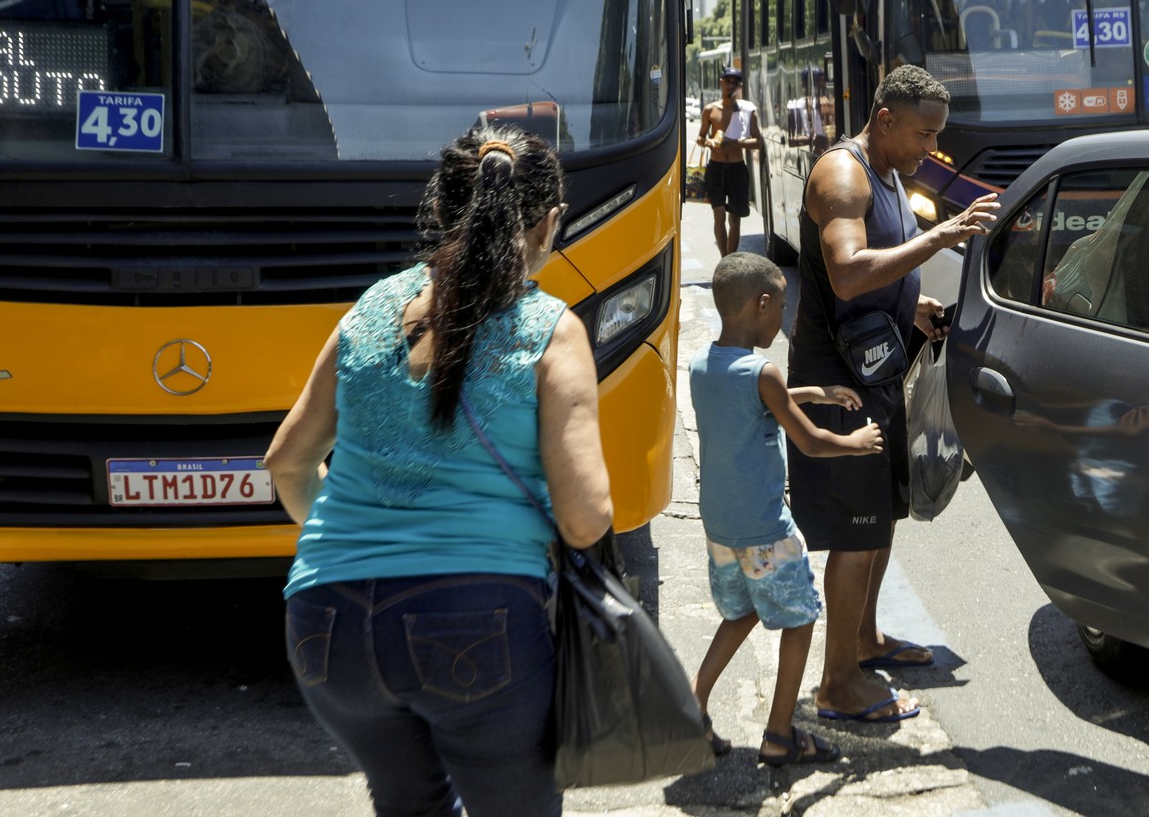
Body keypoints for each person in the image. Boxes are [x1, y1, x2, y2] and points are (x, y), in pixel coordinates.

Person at [263, 125, 612, 817]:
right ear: (547, 225)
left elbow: (287, 462)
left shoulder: (369, 312)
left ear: (445, 210)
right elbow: (585, 518)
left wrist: (353, 540)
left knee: (409, 805)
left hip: (323, 624)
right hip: (476, 623)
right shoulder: (549, 328)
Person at [786, 64, 1000, 723]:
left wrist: (913, 306)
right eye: (924, 134)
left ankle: (866, 639)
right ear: (885, 121)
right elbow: (847, 275)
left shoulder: (890, 175)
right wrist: (941, 235)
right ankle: (837, 684)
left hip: (873, 369)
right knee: (855, 535)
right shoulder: (843, 175)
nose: (931, 149)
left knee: (879, 520)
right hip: (839, 387)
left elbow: (877, 276)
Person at [689, 252, 882, 766]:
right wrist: (857, 441)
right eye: (781, 307)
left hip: (720, 528)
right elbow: (812, 441)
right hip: (765, 530)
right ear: (763, 302)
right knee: (799, 620)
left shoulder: (703, 366)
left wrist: (816, 391)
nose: (783, 319)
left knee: (744, 610)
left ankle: (691, 705)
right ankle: (779, 735)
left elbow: (754, 396)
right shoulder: (763, 371)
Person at [696, 66, 761, 257]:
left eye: (735, 82)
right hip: (716, 168)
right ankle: (723, 259)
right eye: (727, 81)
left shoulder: (747, 110)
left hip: (737, 169)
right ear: (720, 83)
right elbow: (700, 137)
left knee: (735, 218)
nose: (730, 85)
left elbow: (758, 142)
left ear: (739, 86)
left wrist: (735, 143)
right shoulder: (710, 110)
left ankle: (730, 259)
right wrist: (709, 142)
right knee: (719, 215)